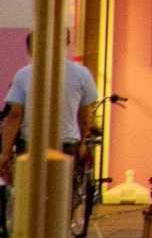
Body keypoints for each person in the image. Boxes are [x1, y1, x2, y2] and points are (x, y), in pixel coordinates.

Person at [0, 44, 101, 184]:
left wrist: (5, 152)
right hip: (66, 143)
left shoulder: (23, 74)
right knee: (62, 194)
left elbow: (14, 114)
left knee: (30, 193)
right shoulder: (82, 74)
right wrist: (82, 143)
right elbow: (84, 117)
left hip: (30, 144)